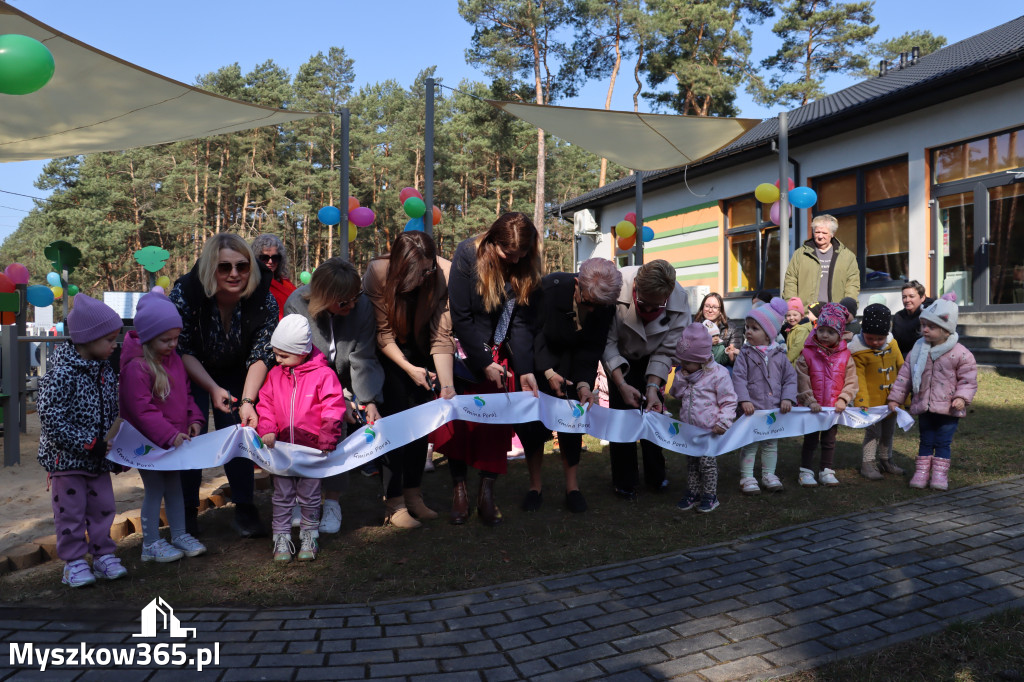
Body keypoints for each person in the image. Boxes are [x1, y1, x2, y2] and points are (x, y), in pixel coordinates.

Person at [169, 233, 277, 538]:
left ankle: (244, 506)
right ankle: (187, 512)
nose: (234, 274)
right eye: (224, 267)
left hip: (238, 370)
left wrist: (247, 400)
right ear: (209, 269)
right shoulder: (185, 294)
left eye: (242, 266)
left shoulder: (264, 300)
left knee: (239, 429)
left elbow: (261, 354)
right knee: (193, 432)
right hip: (191, 371)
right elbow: (182, 350)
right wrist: (212, 388)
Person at [442, 211, 542, 526]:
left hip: (502, 357)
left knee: (494, 429)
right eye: (507, 254)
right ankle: (459, 491)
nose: (514, 260)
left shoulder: (525, 263)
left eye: (521, 254)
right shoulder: (466, 254)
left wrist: (525, 368)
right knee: (460, 427)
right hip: (466, 353)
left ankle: (487, 492)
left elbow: (522, 323)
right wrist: (483, 361)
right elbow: (461, 316)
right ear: (492, 241)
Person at [284, 257, 385, 534]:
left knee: (336, 432)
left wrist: (367, 399)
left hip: (343, 383)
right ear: (322, 297)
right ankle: (301, 501)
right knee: (299, 436)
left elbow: (363, 356)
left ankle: (332, 502)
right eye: (343, 302)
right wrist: (338, 395)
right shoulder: (295, 304)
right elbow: (302, 356)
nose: (351, 306)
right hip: (305, 380)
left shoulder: (361, 306)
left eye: (355, 298)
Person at [363, 231, 456, 528]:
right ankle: (394, 502)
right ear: (401, 268)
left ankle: (414, 494)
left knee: (420, 425)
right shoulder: (378, 273)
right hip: (389, 355)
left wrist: (447, 385)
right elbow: (382, 334)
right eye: (417, 273)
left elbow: (441, 335)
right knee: (394, 426)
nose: (423, 277)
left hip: (424, 352)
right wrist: (407, 367)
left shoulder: (444, 273)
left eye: (428, 269)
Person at [518, 258, 622, 514]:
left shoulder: (604, 303)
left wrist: (585, 383)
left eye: (600, 306)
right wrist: (549, 371)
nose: (594, 310)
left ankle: (572, 488)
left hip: (575, 367)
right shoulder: (548, 290)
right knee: (532, 428)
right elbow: (534, 334)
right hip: (541, 362)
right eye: (588, 303)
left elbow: (592, 346)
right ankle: (535, 487)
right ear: (576, 285)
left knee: (572, 425)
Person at [36, 295, 127, 587]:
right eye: (109, 339)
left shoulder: (105, 372)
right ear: (87, 339)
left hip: (97, 459)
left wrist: (113, 451)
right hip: (67, 462)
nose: (114, 345)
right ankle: (73, 563)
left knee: (103, 509)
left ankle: (103, 556)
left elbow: (112, 413)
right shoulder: (62, 375)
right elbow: (51, 418)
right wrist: (88, 443)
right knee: (71, 515)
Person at [119, 290, 207, 563]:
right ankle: (151, 543)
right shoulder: (137, 367)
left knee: (175, 488)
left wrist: (194, 419)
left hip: (173, 440)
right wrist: (168, 434)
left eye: (176, 338)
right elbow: (141, 410)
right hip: (150, 444)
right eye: (165, 339)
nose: (173, 344)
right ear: (147, 337)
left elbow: (186, 394)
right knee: (155, 490)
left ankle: (178, 534)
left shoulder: (175, 361)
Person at [256, 315, 347, 562]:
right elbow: (265, 404)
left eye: (283, 355)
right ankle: (281, 538)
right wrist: (267, 427)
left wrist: (327, 436)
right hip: (282, 451)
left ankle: (309, 534)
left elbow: (333, 406)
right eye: (276, 353)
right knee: (282, 496)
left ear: (303, 351)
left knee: (310, 496)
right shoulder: (275, 375)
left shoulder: (323, 375)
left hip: (311, 451)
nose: (277, 360)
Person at [603, 259, 690, 499]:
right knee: (621, 418)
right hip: (619, 359)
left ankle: (656, 474)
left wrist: (653, 386)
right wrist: (620, 383)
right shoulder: (615, 286)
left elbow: (667, 350)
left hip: (654, 360)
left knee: (653, 414)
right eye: (644, 304)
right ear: (636, 289)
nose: (650, 311)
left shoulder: (679, 300)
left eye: (657, 306)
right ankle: (624, 479)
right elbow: (607, 342)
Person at [887, 299, 977, 491]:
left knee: (943, 442)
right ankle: (921, 472)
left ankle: (939, 474)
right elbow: (905, 376)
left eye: (931, 327)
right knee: (926, 440)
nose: (925, 330)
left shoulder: (961, 354)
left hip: (948, 408)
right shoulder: (917, 350)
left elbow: (968, 379)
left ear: (946, 330)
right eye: (923, 325)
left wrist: (961, 397)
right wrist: (896, 398)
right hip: (925, 405)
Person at [732, 298, 797, 495]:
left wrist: (787, 398)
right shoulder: (745, 354)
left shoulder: (779, 355)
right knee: (750, 444)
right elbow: (738, 378)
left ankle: (769, 474)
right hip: (752, 410)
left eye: (754, 328)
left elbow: (790, 379)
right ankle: (747, 477)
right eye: (747, 327)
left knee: (770, 444)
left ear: (769, 334)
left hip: (772, 410)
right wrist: (744, 400)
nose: (748, 332)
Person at [670, 324, 737, 513]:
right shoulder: (685, 373)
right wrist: (681, 378)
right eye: (681, 362)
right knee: (692, 463)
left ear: (701, 359)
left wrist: (723, 422)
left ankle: (710, 495)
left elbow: (729, 401)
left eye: (687, 362)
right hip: (690, 429)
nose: (683, 366)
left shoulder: (719, 375)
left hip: (709, 429)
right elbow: (675, 394)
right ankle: (693, 492)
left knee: (707, 464)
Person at [794, 302, 858, 488]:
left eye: (830, 331)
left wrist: (844, 398)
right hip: (812, 407)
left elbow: (851, 380)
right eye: (821, 330)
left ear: (839, 333)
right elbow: (802, 378)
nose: (824, 335)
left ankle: (826, 470)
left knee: (829, 440)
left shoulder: (845, 356)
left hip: (833, 408)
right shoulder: (807, 353)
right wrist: (809, 400)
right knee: (810, 440)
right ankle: (805, 471)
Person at [849, 303, 905, 480]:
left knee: (888, 432)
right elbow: (859, 379)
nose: (875, 342)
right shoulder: (858, 352)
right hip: (871, 404)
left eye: (879, 339)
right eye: (870, 338)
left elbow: (902, 369)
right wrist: (862, 402)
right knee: (873, 433)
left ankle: (886, 460)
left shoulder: (892, 345)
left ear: (886, 334)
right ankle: (868, 463)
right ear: (863, 332)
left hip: (892, 400)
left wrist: (905, 395)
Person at [783, 214, 860, 310]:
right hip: (806, 314)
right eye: (817, 232)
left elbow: (852, 285)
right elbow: (790, 281)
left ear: (832, 234)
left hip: (835, 315)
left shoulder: (847, 256)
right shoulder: (800, 254)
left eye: (824, 233)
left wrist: (849, 309)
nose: (820, 236)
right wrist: (793, 308)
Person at [252, 234, 297, 321]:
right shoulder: (254, 284)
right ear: (256, 259)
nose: (270, 261)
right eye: (264, 258)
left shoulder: (285, 281)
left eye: (275, 257)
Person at [892, 280, 934, 359]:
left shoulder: (929, 315)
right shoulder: (898, 317)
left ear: (922, 298)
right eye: (904, 297)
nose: (907, 300)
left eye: (911, 296)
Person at [693, 292, 739, 365]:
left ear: (720, 310)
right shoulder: (694, 325)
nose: (710, 310)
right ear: (702, 307)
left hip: (722, 366)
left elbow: (736, 359)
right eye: (707, 306)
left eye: (714, 307)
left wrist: (731, 355)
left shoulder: (730, 328)